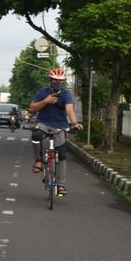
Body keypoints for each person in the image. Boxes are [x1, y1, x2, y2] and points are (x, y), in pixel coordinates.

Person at [29, 67, 83, 196]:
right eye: (54, 80)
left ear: (62, 82)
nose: (57, 83)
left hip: (60, 126)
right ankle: (39, 160)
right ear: (50, 80)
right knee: (36, 135)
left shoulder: (66, 94)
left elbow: (69, 110)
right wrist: (45, 101)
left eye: (60, 81)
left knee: (62, 154)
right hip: (43, 123)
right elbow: (32, 108)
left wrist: (75, 123)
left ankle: (61, 185)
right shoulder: (42, 92)